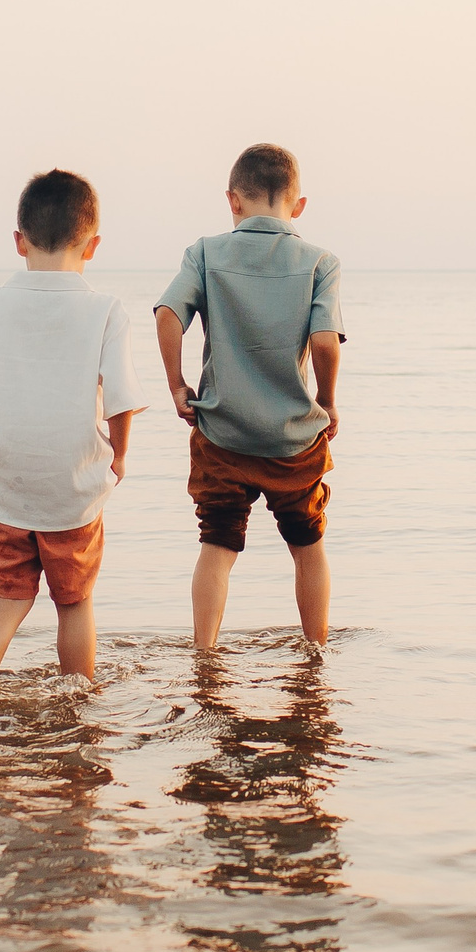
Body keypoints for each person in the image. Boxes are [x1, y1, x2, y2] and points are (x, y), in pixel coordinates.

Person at [0, 169, 150, 684]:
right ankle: (78, 698)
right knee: (74, 603)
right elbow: (120, 398)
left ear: (18, 241)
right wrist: (118, 456)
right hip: (73, 486)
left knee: (10, 598)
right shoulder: (105, 310)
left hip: (5, 484)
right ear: (92, 246)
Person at [153, 143, 344, 647]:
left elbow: (168, 313)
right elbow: (324, 340)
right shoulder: (320, 262)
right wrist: (326, 401)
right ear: (298, 206)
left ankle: (205, 656)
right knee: (308, 546)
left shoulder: (205, 253)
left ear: (233, 201)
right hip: (293, 441)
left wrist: (176, 384)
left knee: (216, 545)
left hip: (223, 434)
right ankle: (315, 653)